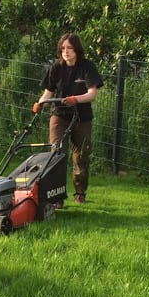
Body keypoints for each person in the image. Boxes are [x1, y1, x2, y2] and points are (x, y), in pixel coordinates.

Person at [33, 33, 103, 205]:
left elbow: (92, 94)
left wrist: (76, 99)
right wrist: (40, 104)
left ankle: (80, 193)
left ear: (77, 50)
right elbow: (48, 93)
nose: (66, 51)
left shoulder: (87, 67)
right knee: (57, 155)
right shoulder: (56, 68)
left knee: (81, 157)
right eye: (63, 48)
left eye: (69, 48)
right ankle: (56, 196)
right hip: (60, 116)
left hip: (82, 118)